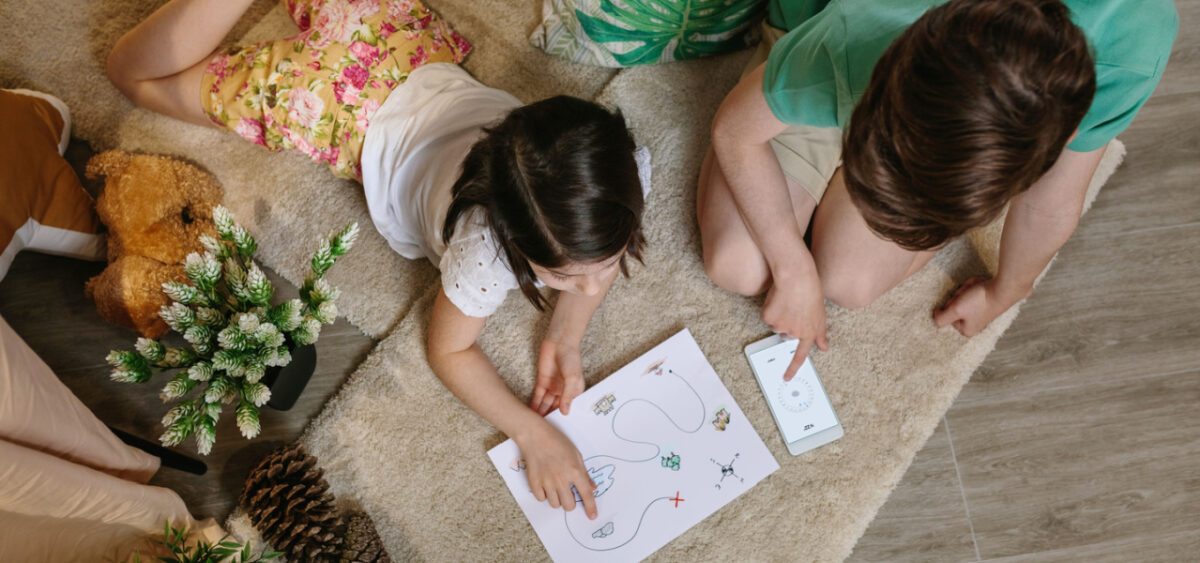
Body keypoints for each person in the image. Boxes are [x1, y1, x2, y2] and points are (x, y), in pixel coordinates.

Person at [107, 0, 653, 521]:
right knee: (132, 75)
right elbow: (449, 349)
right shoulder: (481, 254)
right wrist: (532, 434)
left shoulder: (622, 173)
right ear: (511, 241)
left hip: (394, 44)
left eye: (611, 258)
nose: (593, 287)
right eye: (566, 278)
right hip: (333, 104)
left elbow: (585, 270)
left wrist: (566, 337)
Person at [698, 0, 1177, 379]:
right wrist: (792, 265)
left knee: (850, 283)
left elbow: (1049, 204)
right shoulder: (860, 25)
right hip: (838, 48)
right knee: (738, 265)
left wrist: (1006, 291)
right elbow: (736, 131)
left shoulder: (1131, 46)